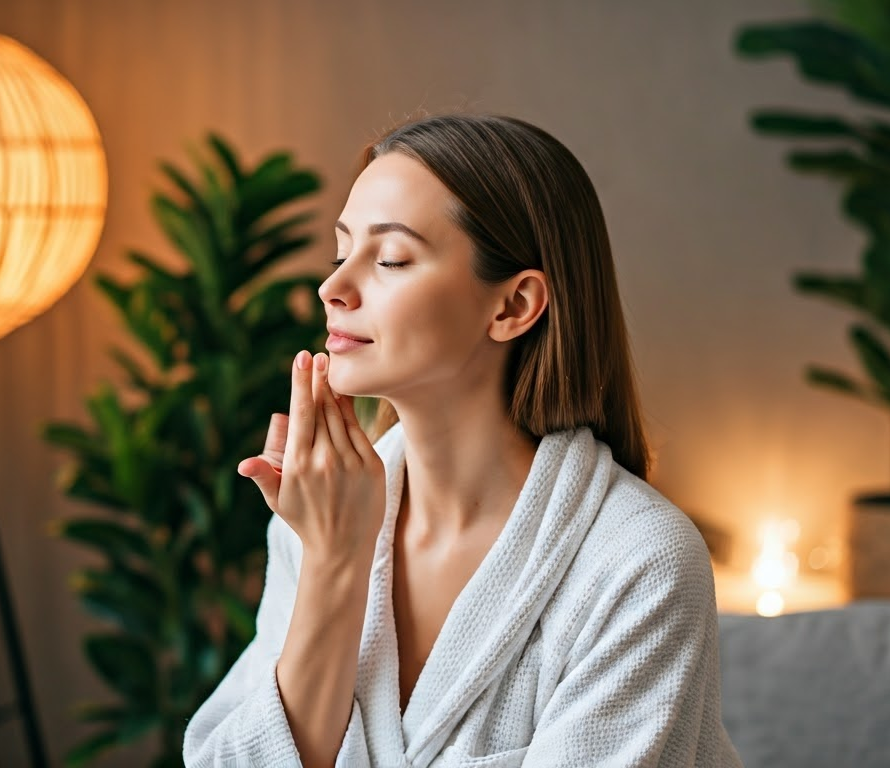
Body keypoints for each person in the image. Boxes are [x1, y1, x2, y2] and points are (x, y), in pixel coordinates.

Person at [183, 114, 742, 767]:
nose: (332, 288)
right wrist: (335, 563)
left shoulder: (638, 562)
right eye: (341, 254)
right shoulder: (319, 519)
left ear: (512, 306)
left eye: (390, 259)